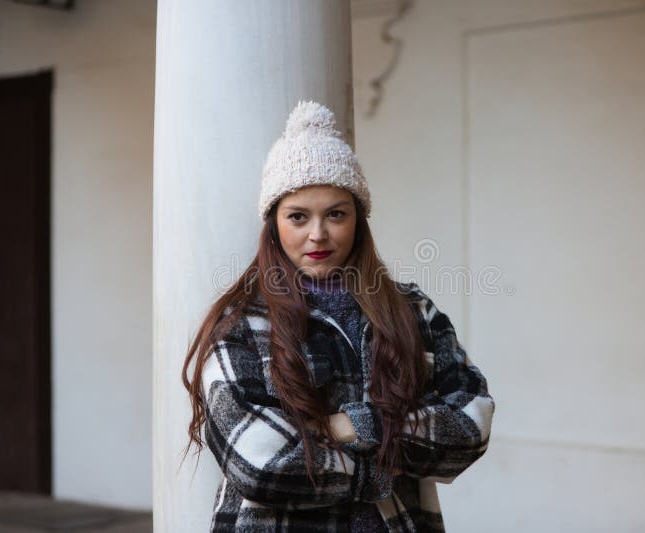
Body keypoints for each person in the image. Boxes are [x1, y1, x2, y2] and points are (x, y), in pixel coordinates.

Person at [181, 100, 495, 532]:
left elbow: (470, 425)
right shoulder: (242, 324)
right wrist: (386, 460)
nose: (318, 234)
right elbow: (258, 463)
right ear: (274, 225)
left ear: (357, 220)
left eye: (336, 214)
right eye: (298, 217)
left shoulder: (412, 311)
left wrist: (346, 426)